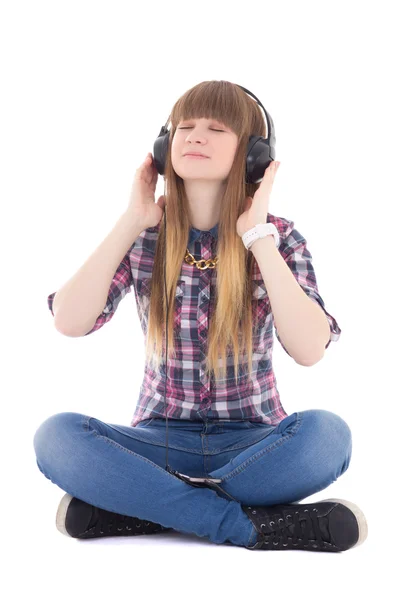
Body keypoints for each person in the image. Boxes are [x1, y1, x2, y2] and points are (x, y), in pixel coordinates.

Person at [33, 80, 368, 552]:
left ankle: (150, 507)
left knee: (329, 436)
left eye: (215, 128)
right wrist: (132, 220)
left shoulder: (279, 238)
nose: (193, 136)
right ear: (162, 146)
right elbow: (69, 320)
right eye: (184, 127)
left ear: (254, 154)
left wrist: (257, 236)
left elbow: (310, 349)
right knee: (57, 438)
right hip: (158, 443)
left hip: (255, 446)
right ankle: (249, 526)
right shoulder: (144, 237)